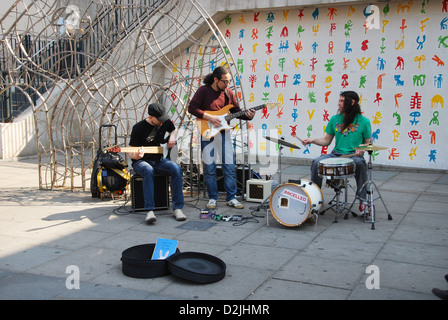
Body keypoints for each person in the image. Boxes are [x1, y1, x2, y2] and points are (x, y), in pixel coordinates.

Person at [188, 66, 256, 209]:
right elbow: (192, 108)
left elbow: (236, 112)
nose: (227, 84)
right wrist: (210, 117)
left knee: (229, 166)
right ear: (216, 79)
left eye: (228, 81)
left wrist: (249, 116)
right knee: (210, 167)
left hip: (224, 133)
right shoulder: (203, 91)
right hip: (207, 132)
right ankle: (213, 198)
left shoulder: (228, 93)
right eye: (224, 81)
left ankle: (231, 197)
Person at [301, 91, 372, 214]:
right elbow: (326, 140)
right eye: (339, 100)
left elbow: (369, 143)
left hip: (354, 156)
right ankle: (314, 198)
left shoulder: (364, 121)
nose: (338, 103)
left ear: (352, 102)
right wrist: (312, 140)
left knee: (360, 164)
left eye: (342, 101)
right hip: (336, 153)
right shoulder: (335, 119)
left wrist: (363, 147)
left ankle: (363, 201)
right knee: (317, 162)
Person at [129, 102, 185, 224]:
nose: (161, 122)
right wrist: (137, 155)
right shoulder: (138, 128)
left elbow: (173, 130)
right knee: (148, 170)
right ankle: (149, 211)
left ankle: (177, 208)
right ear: (150, 117)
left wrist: (172, 137)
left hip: (159, 159)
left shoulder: (165, 121)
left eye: (162, 119)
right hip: (141, 161)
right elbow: (131, 152)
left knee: (176, 168)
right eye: (158, 120)